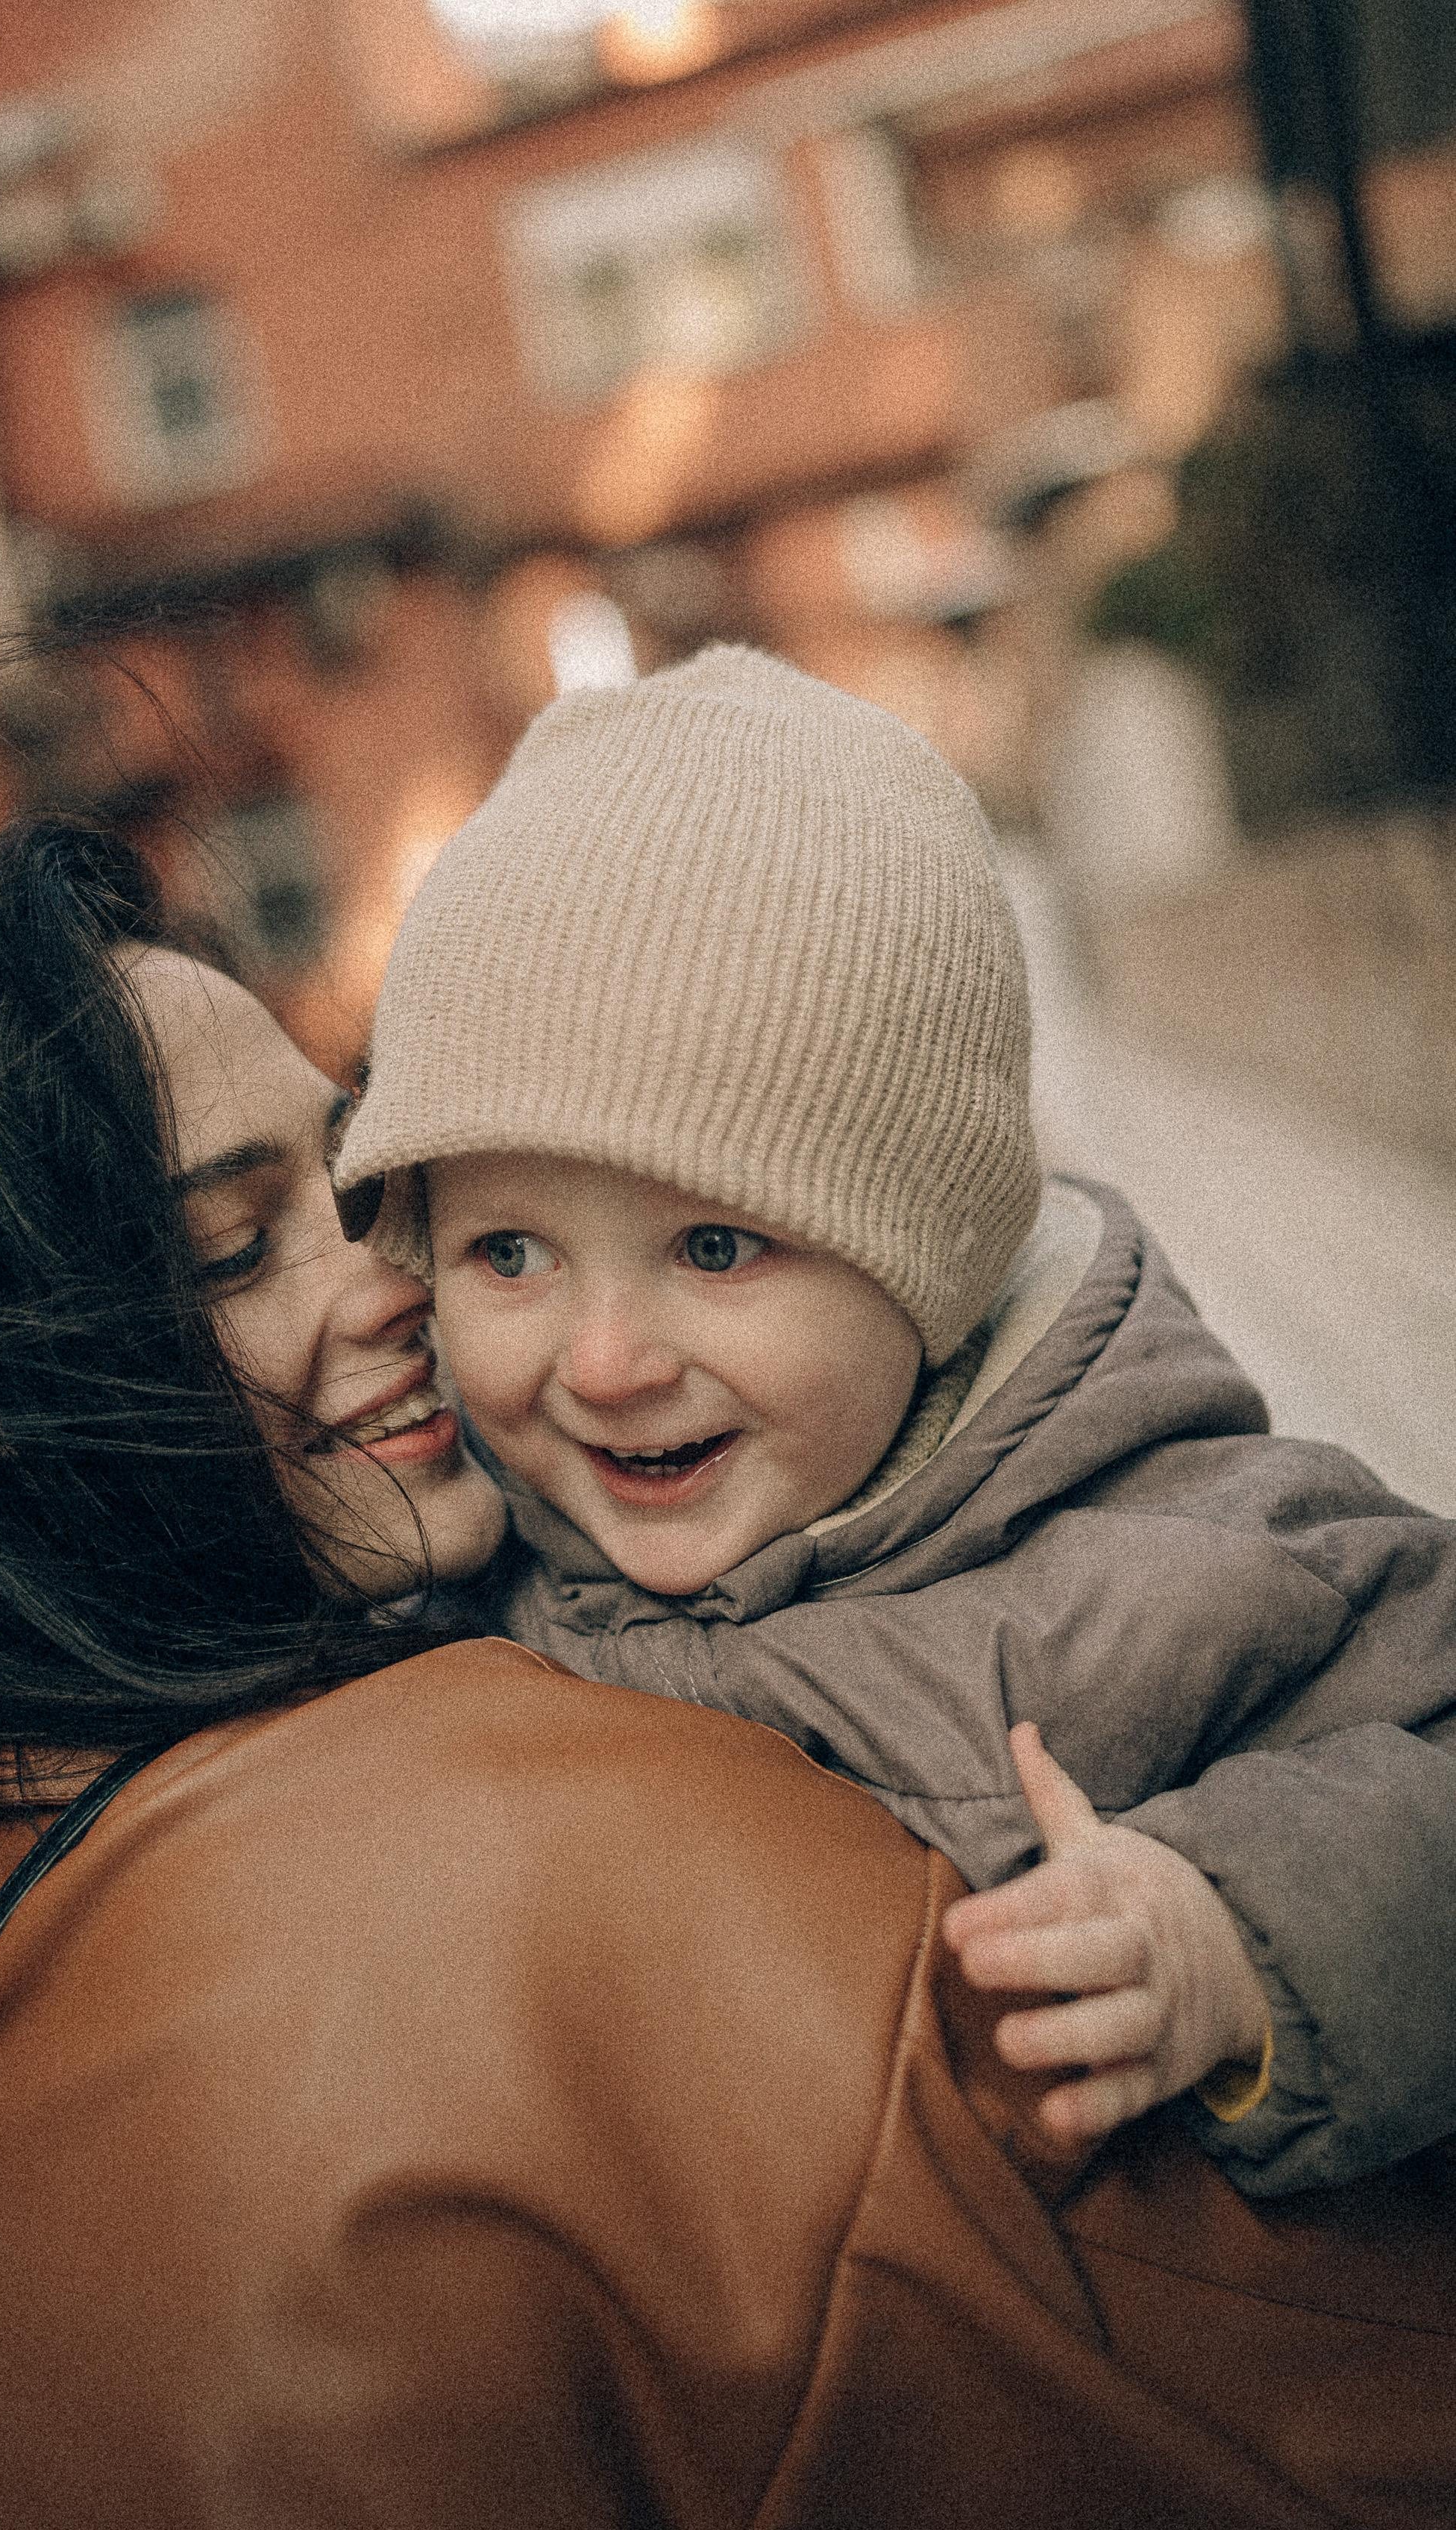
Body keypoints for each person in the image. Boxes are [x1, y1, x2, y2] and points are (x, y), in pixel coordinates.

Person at [0, 727, 1454, 2530]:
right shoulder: (575, 1876)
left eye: (374, 1178)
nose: (402, 1279)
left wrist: (1248, 1938)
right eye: (238, 1246)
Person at [333, 642, 1456, 2202]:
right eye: (506, 1252)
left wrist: (1231, 1932)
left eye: (715, 1247)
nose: (599, 1360)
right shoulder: (483, 1584)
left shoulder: (1173, 1554)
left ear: (925, 1256)